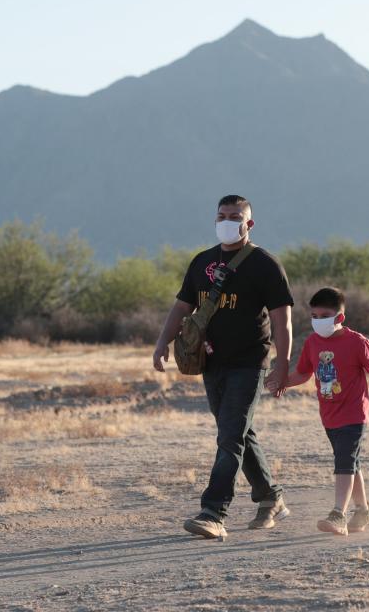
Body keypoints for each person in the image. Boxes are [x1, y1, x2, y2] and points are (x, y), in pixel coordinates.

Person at [153, 194, 293, 539]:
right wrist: (162, 343)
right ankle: (270, 497)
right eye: (222, 215)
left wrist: (283, 363)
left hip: (249, 362)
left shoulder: (265, 265)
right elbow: (181, 308)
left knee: (229, 435)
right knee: (238, 433)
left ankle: (214, 511)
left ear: (249, 222)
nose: (227, 221)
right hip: (211, 361)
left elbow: (282, 321)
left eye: (235, 216)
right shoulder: (201, 262)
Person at [273, 286, 369, 535]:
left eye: (324, 316)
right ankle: (363, 511)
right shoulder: (313, 342)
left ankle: (338, 515)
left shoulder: (356, 341)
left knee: (344, 461)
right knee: (350, 462)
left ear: (339, 317)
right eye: (314, 316)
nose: (318, 321)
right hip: (329, 415)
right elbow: (303, 373)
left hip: (354, 414)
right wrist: (282, 382)